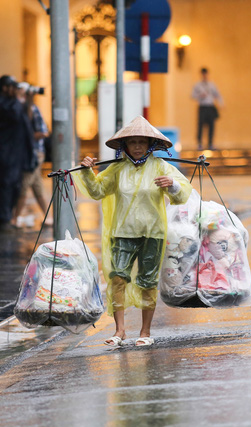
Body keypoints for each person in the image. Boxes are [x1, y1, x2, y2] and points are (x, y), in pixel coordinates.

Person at [75, 116, 192, 347]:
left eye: (142, 142)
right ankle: (119, 331)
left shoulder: (161, 167)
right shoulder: (117, 170)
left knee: (148, 281)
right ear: (125, 146)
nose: (137, 147)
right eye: (132, 142)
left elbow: (182, 194)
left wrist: (172, 184)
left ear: (150, 145)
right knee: (117, 277)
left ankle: (145, 332)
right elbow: (98, 191)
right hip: (123, 232)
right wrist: (88, 172)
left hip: (153, 234)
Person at [0, 75, 37, 232]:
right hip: (5, 154)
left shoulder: (12, 103)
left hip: (16, 153)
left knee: (15, 186)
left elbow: (25, 119)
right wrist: (18, 99)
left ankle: (8, 218)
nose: (16, 91)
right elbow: (14, 116)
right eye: (13, 87)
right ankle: (5, 220)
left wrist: (28, 101)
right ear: (5, 88)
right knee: (6, 186)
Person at [13, 82, 50, 227]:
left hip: (35, 153)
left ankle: (14, 218)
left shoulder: (33, 109)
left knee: (24, 185)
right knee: (37, 186)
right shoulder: (22, 109)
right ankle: (48, 217)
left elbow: (43, 132)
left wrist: (28, 137)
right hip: (30, 153)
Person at [191, 67, 223, 150]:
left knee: (211, 126)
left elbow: (217, 94)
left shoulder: (212, 85)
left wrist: (221, 104)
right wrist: (200, 95)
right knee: (200, 125)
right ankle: (199, 143)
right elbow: (192, 96)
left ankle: (210, 143)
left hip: (210, 107)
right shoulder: (198, 85)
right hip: (202, 107)